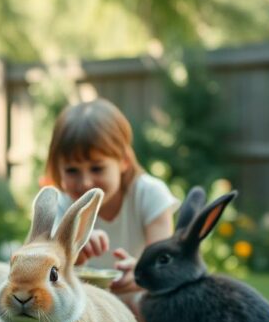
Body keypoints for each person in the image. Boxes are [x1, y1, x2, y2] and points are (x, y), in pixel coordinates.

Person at [46, 98, 179, 302]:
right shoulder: (62, 205)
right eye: (72, 170)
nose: (85, 183)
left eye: (97, 168)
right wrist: (74, 251)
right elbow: (50, 271)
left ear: (124, 160)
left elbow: (164, 266)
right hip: (88, 309)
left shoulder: (150, 195)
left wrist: (141, 273)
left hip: (141, 305)